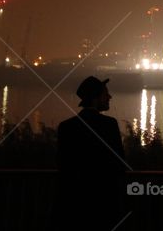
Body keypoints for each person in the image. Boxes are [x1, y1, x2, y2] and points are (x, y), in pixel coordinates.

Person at [52, 76, 127, 230]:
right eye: (105, 94)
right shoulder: (109, 125)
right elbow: (119, 162)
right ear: (95, 98)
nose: (109, 97)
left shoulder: (66, 127)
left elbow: (62, 163)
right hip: (104, 201)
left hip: (72, 202)